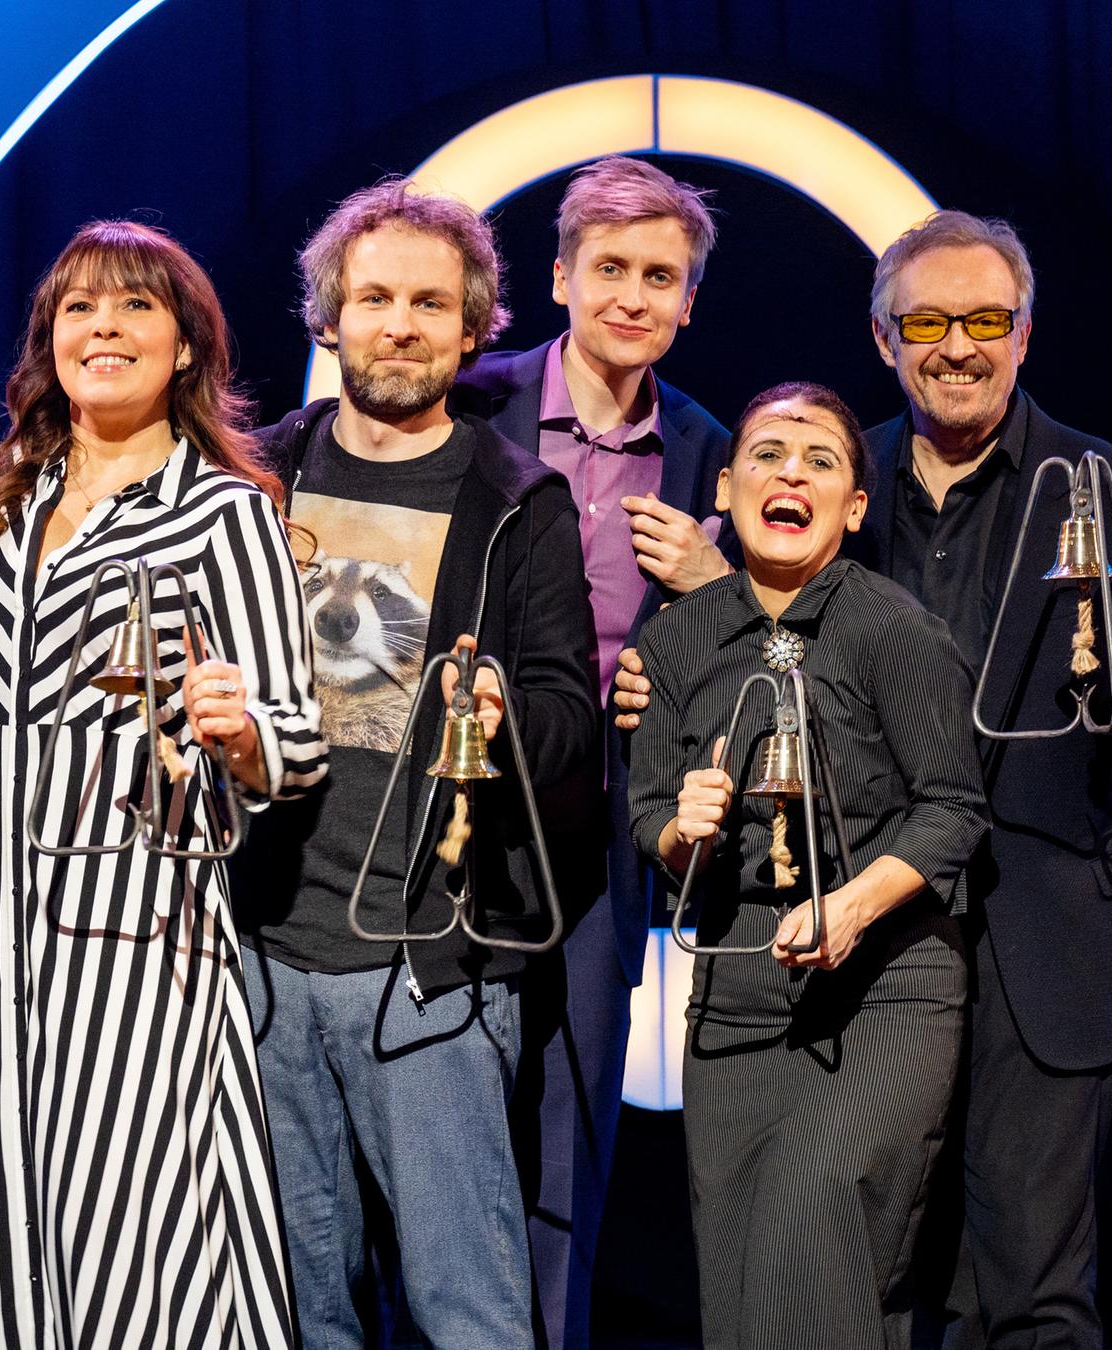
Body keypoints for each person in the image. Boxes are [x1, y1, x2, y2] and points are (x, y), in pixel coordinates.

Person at [0, 219, 324, 1348]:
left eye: (135, 306)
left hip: (137, 923)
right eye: (79, 308)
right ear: (50, 342)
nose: (105, 327)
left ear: (185, 349)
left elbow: (295, 735)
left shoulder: (225, 510)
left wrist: (238, 734)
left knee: (137, 1230)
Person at [238, 178, 601, 1349]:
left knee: (473, 1319)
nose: (400, 323)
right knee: (304, 1317)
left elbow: (568, 719)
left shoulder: (518, 500)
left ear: (473, 327)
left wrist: (504, 719)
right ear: (329, 314)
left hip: (429, 970)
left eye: (430, 303)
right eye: (377, 296)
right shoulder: (256, 474)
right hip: (261, 963)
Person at [857, 212, 1112, 1347]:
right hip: (872, 942)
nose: (958, 345)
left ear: (1025, 334)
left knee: (1037, 1300)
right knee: (873, 1287)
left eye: (986, 319)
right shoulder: (833, 486)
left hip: (1043, 946)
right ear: (884, 338)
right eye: (928, 320)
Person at [630, 382, 988, 1348]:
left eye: (821, 461)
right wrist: (682, 829)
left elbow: (955, 808)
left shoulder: (891, 630)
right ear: (729, 483)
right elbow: (651, 825)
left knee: (811, 1228)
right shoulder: (675, 640)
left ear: (855, 508)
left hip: (880, 992)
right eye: (768, 454)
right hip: (736, 994)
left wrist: (854, 907)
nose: (791, 474)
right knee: (744, 1283)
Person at [452, 154, 735, 1348]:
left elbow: (754, 659)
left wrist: (702, 608)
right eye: (608, 268)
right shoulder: (468, 402)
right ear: (560, 277)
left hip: (600, 842)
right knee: (431, 1133)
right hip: (448, 821)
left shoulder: (712, 449)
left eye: (658, 276)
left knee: (569, 1142)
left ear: (686, 302)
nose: (631, 295)